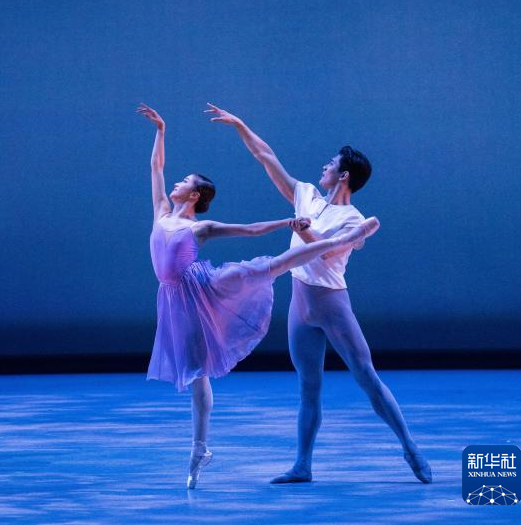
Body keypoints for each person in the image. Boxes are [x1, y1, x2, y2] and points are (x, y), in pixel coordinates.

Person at [137, 104, 379, 489]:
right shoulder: (161, 211)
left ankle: (345, 239)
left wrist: (286, 222)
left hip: (205, 286)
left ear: (195, 194)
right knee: (197, 372)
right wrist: (161, 131)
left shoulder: (201, 227)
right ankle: (200, 449)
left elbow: (249, 230)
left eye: (184, 181)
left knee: (271, 266)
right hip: (174, 301)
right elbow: (156, 168)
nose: (175, 183)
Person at [206, 102, 431, 484]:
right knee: (309, 387)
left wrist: (304, 230)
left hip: (331, 304)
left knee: (366, 376)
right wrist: (239, 124)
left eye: (330, 164)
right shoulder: (306, 195)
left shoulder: (353, 219)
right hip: (301, 304)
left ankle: (410, 447)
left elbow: (326, 250)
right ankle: (302, 465)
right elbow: (266, 157)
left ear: (343, 175)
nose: (323, 167)